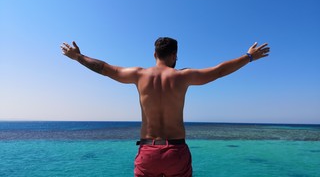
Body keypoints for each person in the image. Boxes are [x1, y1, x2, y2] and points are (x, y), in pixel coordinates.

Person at [61, 37, 270, 177]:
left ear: (154, 55)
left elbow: (105, 69)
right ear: (173, 55)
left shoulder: (139, 75)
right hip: (176, 151)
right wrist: (248, 56)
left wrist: (78, 57)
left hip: (148, 151)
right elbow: (218, 71)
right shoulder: (183, 76)